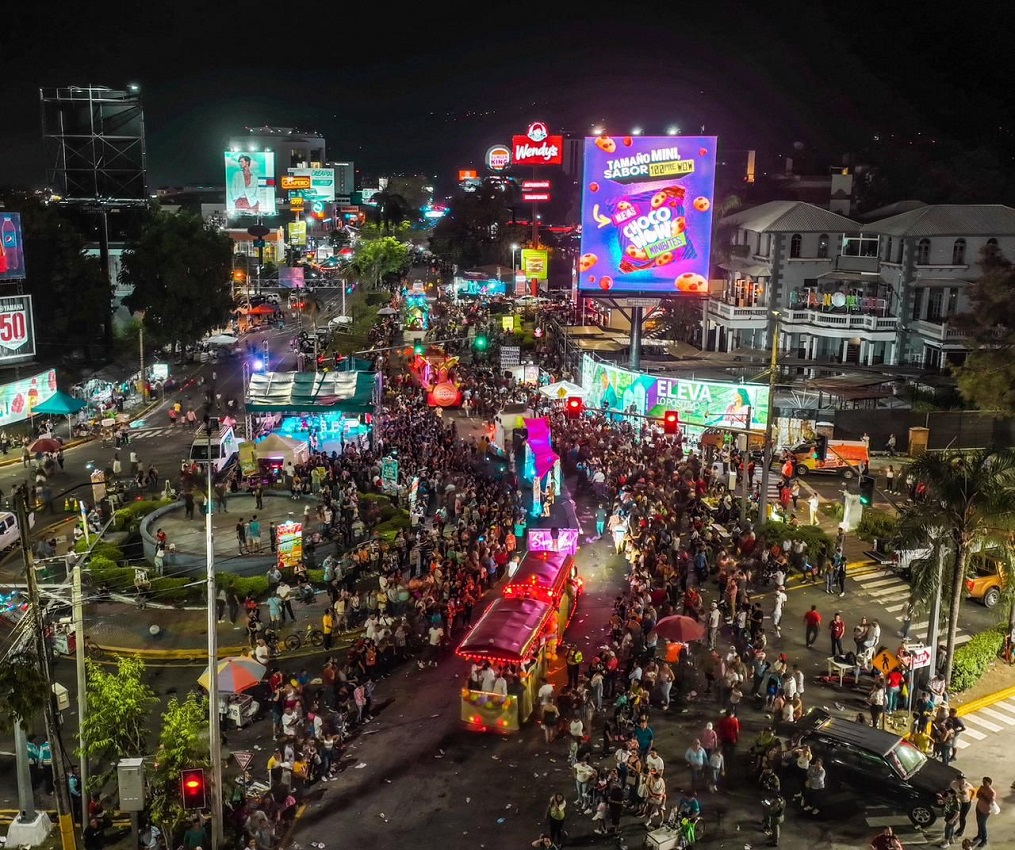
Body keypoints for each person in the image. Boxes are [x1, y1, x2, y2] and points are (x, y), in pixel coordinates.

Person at [971, 776, 996, 847]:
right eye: (983, 781)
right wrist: (982, 796)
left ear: (989, 783)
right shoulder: (982, 787)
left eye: (985, 782)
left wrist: (982, 797)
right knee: (979, 823)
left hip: (985, 811)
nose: (983, 783)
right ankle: (980, 835)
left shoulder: (992, 792)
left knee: (982, 825)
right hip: (979, 807)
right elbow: (977, 794)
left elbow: (989, 802)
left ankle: (984, 840)